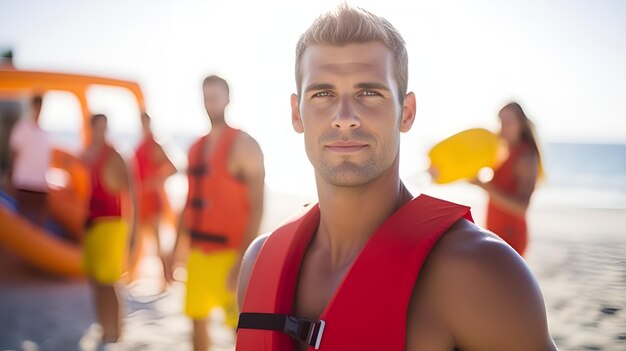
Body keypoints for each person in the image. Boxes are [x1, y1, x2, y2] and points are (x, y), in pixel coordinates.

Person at [236, 5, 557, 351]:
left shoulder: (483, 273)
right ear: (296, 115)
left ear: (406, 112)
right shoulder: (258, 263)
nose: (345, 118)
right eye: (323, 94)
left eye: (369, 93)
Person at [170, 75, 265, 351]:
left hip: (231, 254)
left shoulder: (244, 145)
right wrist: (175, 248)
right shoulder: (195, 148)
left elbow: (257, 206)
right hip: (198, 253)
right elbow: (189, 202)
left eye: (215, 96)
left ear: (228, 98)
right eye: (206, 96)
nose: (210, 102)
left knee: (241, 330)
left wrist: (242, 262)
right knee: (196, 322)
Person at [81, 114, 136, 345]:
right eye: (97, 127)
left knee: (110, 281)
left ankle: (117, 331)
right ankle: (105, 328)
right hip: (92, 223)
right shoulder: (87, 155)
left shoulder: (114, 155)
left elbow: (131, 192)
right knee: (95, 280)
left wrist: (134, 232)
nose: (101, 132)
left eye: (104, 127)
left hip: (112, 224)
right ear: (91, 128)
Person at [471, 102, 541, 256]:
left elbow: (521, 208)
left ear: (521, 125)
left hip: (511, 235)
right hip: (494, 233)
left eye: (508, 122)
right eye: (500, 121)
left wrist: (483, 186)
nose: (503, 127)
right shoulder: (502, 152)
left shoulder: (526, 157)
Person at [128, 112, 177, 289]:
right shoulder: (141, 145)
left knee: (157, 243)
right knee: (138, 241)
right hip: (141, 202)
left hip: (153, 202)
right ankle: (133, 276)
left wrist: (155, 180)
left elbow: (173, 168)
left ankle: (166, 279)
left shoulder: (154, 145)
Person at [8, 95, 51, 225]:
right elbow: (14, 153)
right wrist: (11, 176)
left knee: (39, 221)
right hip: (23, 181)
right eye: (36, 105)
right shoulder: (22, 128)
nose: (38, 109)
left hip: (40, 183)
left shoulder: (44, 133)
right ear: (32, 106)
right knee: (21, 220)